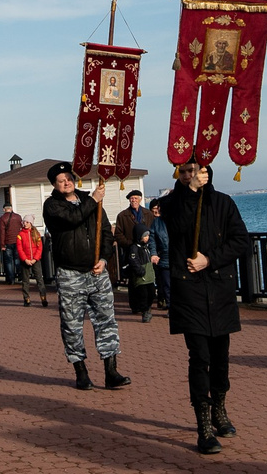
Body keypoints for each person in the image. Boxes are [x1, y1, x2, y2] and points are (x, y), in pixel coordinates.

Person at [159, 155, 250, 454]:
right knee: (199, 357)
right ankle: (202, 423)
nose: (190, 176)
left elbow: (240, 241)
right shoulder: (172, 203)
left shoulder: (223, 203)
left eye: (195, 170)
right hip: (190, 292)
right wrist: (192, 194)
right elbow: (180, 227)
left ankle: (220, 411)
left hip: (219, 288)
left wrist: (209, 260)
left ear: (207, 171)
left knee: (221, 356)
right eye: (185, 172)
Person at [43, 163, 130, 391]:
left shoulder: (90, 200)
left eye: (69, 178)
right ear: (54, 184)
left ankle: (111, 371)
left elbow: (106, 232)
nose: (66, 182)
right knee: (72, 324)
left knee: (106, 321)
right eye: (61, 180)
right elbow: (73, 218)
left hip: (97, 272)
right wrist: (94, 199)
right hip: (70, 273)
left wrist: (103, 259)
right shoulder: (52, 205)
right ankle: (80, 372)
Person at [115, 190, 159, 324]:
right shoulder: (123, 216)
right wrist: (129, 244)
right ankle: (135, 305)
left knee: (148, 279)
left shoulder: (148, 214)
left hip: (146, 250)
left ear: (140, 199)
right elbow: (118, 234)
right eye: (131, 198)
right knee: (134, 280)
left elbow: (154, 230)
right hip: (131, 250)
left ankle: (146, 306)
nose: (133, 200)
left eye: (136, 198)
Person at [12, 220, 47, 307]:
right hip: (25, 260)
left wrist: (35, 258)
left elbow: (40, 247)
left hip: (35, 260)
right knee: (25, 280)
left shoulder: (36, 233)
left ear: (31, 223)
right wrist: (25, 259)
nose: (25, 224)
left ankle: (43, 297)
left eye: (27, 222)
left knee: (40, 279)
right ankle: (26, 299)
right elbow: (19, 249)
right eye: (24, 222)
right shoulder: (20, 234)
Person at [0, 203, 25, 285]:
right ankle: (20, 274)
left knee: (9, 262)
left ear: (4, 209)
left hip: (8, 242)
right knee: (17, 259)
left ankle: (11, 279)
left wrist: (2, 245)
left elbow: (2, 233)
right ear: (11, 208)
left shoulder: (2, 218)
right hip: (18, 241)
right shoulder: (18, 217)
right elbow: (22, 228)